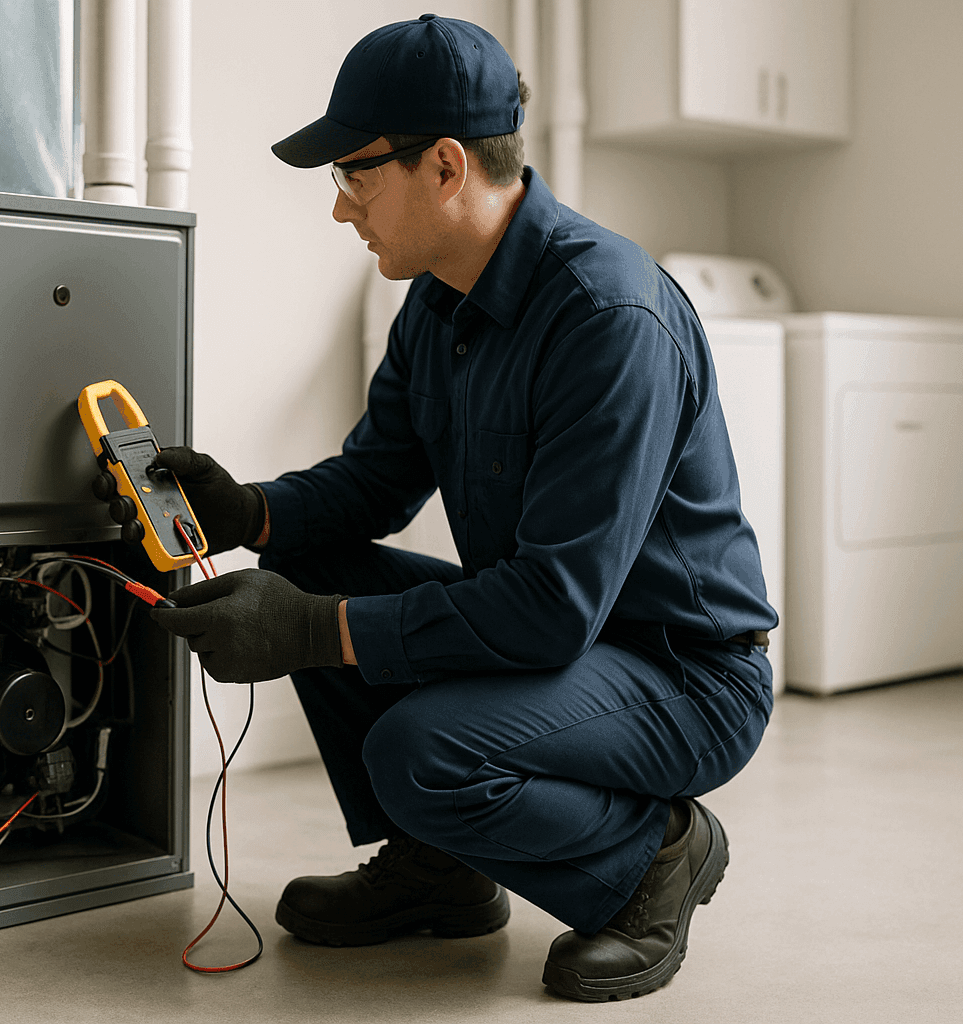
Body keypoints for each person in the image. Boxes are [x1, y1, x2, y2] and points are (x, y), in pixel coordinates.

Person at [135, 14, 776, 1003]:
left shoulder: (608, 318)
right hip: (563, 642)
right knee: (311, 558)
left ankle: (654, 853)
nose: (340, 208)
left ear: (444, 166)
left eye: (355, 174)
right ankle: (443, 868)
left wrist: (312, 631)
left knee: (419, 750)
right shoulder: (436, 302)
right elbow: (375, 484)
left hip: (683, 675)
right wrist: (246, 511)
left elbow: (552, 607)